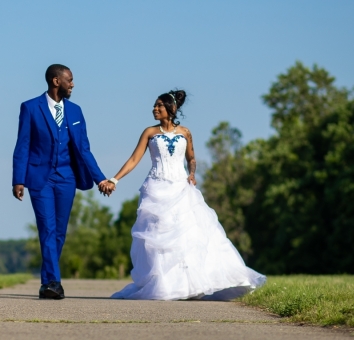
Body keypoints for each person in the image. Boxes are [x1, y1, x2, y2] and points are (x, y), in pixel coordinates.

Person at [102, 90, 266, 300]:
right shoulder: (149, 133)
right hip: (156, 188)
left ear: (171, 109)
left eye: (159, 105)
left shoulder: (186, 133)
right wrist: (114, 179)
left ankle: (190, 284)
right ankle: (165, 284)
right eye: (154, 105)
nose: (155, 108)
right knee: (158, 237)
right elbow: (134, 159)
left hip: (180, 188)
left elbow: (192, 158)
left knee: (187, 236)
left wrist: (192, 174)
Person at [12, 64, 111, 299]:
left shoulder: (76, 111)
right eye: (70, 80)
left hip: (67, 178)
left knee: (59, 233)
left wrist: (100, 179)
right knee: (47, 229)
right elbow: (23, 145)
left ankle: (46, 281)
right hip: (40, 178)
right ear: (56, 81)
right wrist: (18, 179)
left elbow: (85, 149)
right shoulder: (30, 108)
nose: (73, 84)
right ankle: (54, 282)